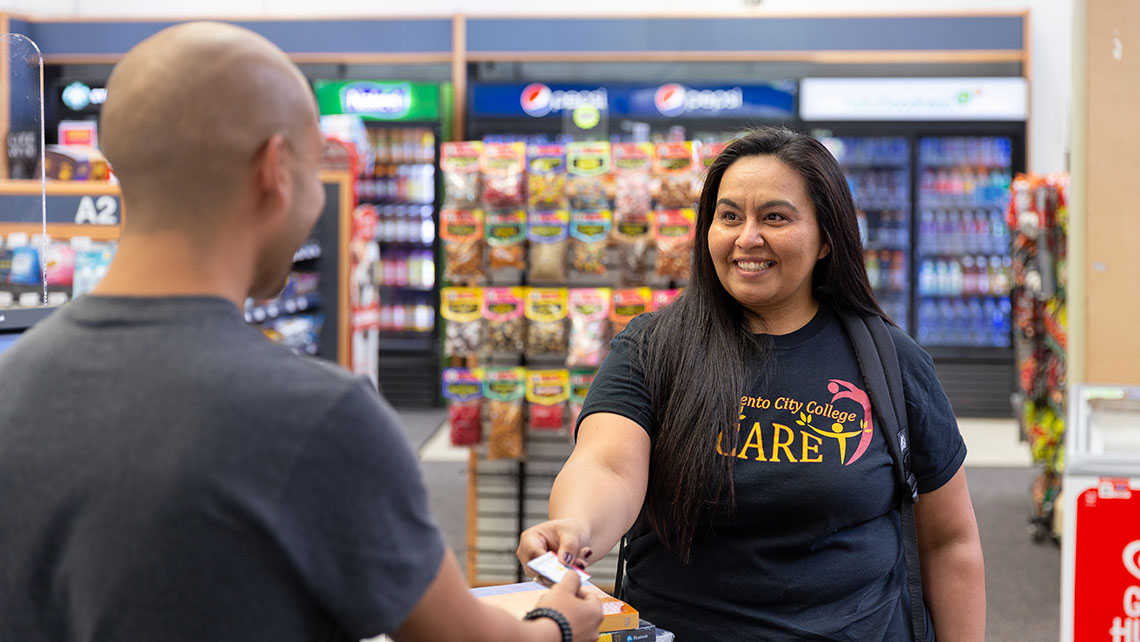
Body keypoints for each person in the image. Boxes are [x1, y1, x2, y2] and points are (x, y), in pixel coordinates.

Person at [0, 22, 601, 642]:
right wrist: (558, 623)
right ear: (275, 169)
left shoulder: (11, 381)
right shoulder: (319, 418)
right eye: (318, 168)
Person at [518, 128, 986, 641]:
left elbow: (950, 542)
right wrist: (576, 528)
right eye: (730, 216)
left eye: (775, 217)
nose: (747, 238)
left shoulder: (891, 361)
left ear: (827, 237)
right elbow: (607, 463)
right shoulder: (654, 347)